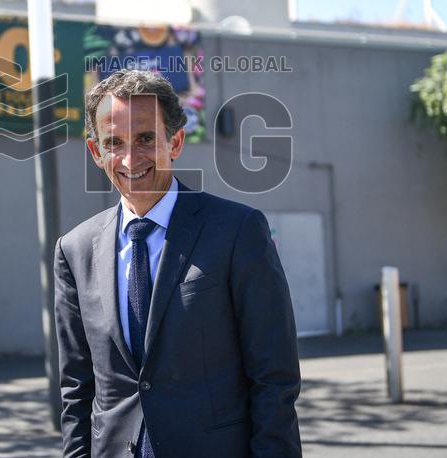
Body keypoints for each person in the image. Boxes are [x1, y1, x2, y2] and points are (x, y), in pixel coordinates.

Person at [54, 69, 302, 457]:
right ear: (96, 152)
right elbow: (76, 388)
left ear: (176, 141)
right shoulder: (75, 249)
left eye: (146, 139)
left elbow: (274, 378)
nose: (130, 158)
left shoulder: (237, 231)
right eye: (114, 142)